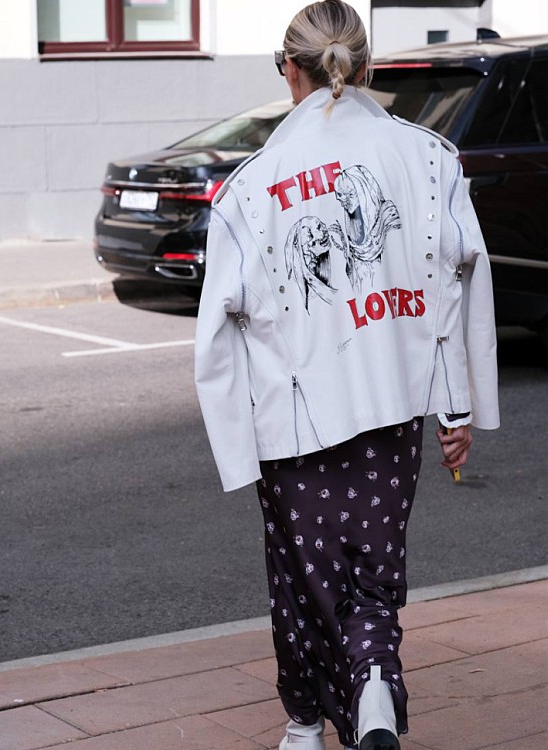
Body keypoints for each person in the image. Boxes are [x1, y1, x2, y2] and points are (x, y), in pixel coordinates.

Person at [194, 1, 500, 748]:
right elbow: (459, 282)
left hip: (291, 420)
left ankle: (304, 723)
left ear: (289, 71)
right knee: (374, 566)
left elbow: (216, 336)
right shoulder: (430, 157)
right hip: (392, 405)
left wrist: (237, 449)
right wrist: (458, 406)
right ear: (366, 66)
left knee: (301, 572)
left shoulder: (250, 187)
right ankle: (372, 687)